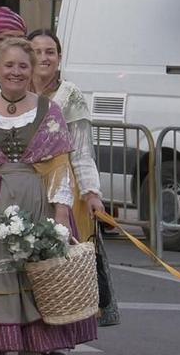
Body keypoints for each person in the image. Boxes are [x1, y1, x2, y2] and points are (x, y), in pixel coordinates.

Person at [0, 37, 97, 355]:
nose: (16, 72)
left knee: (35, 280)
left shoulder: (49, 110)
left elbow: (60, 166)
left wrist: (62, 214)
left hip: (36, 200)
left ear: (31, 70)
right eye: (9, 66)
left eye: (23, 66)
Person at [28, 28, 118, 327]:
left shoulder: (69, 96)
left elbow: (81, 151)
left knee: (59, 266)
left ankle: (58, 339)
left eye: (49, 52)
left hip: (63, 192)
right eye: (37, 51)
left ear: (59, 58)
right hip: (25, 188)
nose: (43, 57)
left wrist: (91, 193)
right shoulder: (15, 91)